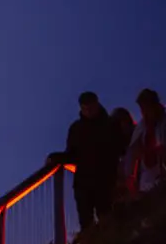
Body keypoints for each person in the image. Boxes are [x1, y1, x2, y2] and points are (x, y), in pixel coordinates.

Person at [46, 91, 126, 230]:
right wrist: (55, 157)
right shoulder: (76, 129)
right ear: (81, 108)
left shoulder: (110, 125)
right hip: (84, 184)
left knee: (107, 219)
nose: (88, 111)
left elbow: (120, 149)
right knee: (87, 224)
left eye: (91, 107)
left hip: (105, 181)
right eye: (85, 108)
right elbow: (72, 155)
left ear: (97, 104)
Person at [123, 88, 166, 192]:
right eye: (142, 108)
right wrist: (129, 176)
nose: (144, 112)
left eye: (147, 107)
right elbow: (132, 153)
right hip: (146, 180)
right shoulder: (142, 126)